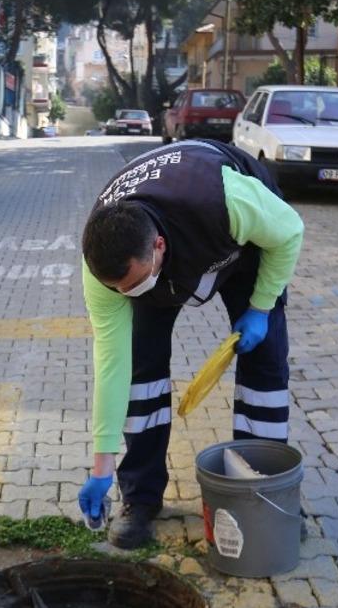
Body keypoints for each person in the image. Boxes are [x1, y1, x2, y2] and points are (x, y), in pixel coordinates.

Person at [78, 140, 303, 549]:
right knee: (140, 370)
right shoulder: (106, 269)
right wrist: (100, 464)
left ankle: (266, 492)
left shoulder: (227, 200)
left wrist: (261, 307)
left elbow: (289, 232)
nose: (128, 294)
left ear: (158, 247)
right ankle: (139, 499)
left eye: (136, 284)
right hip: (169, 253)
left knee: (265, 364)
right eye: (120, 290)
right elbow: (113, 365)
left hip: (241, 245)